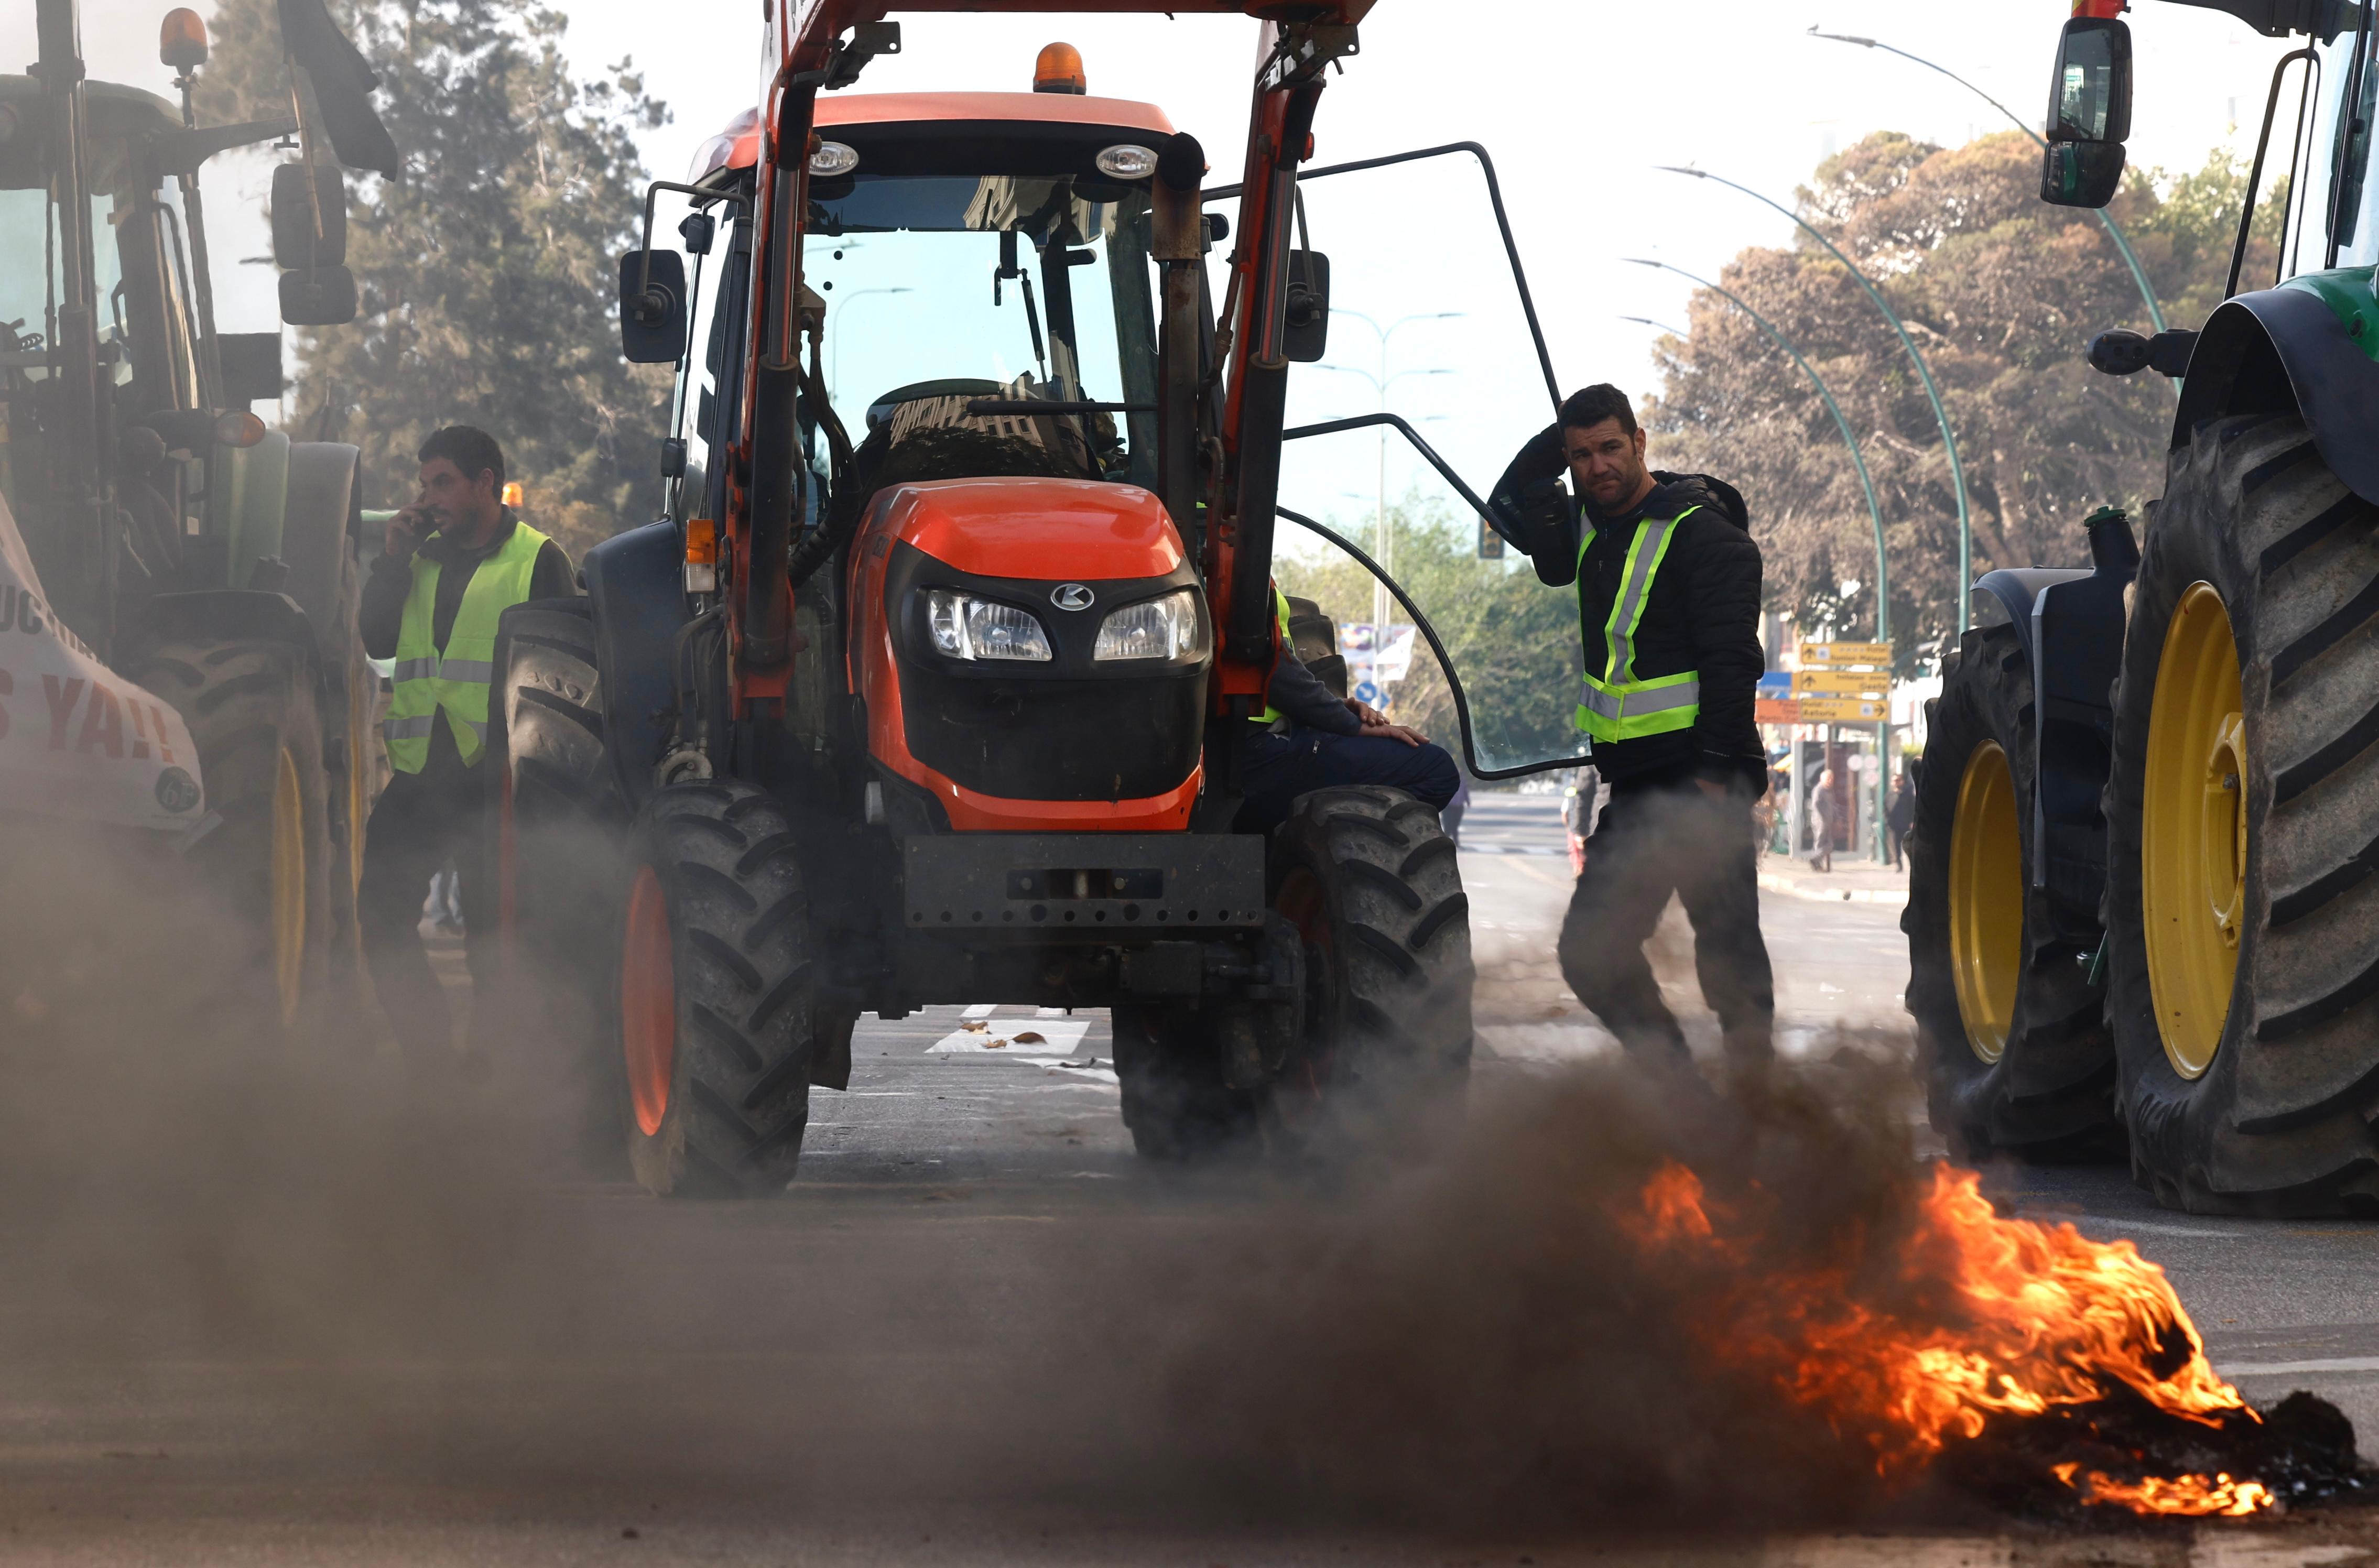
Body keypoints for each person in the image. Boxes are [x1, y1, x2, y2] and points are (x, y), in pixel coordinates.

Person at [1491, 384, 1773, 1080]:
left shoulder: (1702, 535)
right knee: (1591, 952)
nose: (1596, 467)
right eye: (1580, 455)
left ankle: (1757, 1100)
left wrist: (1711, 777)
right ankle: (1680, 1093)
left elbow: (1732, 665)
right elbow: (1509, 507)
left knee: (1727, 954)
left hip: (1704, 778)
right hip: (1640, 784)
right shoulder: (1589, 529)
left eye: (1610, 448)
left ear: (1639, 441)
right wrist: (1546, 449)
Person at [359, 427, 574, 1061]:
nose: (429, 497)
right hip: (424, 776)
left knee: (494, 940)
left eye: (443, 482)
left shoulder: (539, 559)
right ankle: (429, 1061)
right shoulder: (419, 556)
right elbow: (376, 639)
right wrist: (393, 557)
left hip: (497, 786)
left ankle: (487, 1081)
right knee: (378, 914)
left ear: (487, 483)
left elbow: (564, 678)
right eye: (425, 484)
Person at [1235, 583, 1460, 834]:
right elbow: (1274, 668)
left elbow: (1268, 670)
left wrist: (1338, 707)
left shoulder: (1220, 565)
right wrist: (1350, 723)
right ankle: (1320, 845)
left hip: (1257, 739)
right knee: (1435, 770)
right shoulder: (1240, 565)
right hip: (1256, 746)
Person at [1887, 762, 1918, 869]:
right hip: (1894, 825)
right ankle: (1898, 865)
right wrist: (1888, 822)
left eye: (1898, 780)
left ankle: (1911, 865)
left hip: (1906, 824)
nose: (1896, 783)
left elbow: (1913, 808)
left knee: (1909, 845)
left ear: (1902, 782)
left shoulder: (1908, 795)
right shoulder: (1890, 796)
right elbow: (1885, 810)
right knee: (1895, 846)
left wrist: (1912, 822)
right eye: (1894, 781)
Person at [1808, 767, 1837, 875]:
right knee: (1821, 843)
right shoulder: (1819, 789)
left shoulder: (1829, 790)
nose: (1830, 781)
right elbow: (1815, 804)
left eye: (1832, 779)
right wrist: (1822, 817)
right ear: (1822, 779)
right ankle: (1816, 863)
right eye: (1828, 779)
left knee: (1829, 845)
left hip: (1828, 821)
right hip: (1820, 821)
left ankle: (1815, 860)